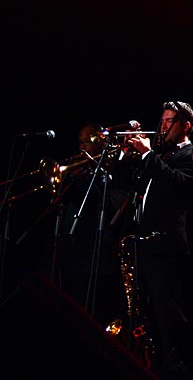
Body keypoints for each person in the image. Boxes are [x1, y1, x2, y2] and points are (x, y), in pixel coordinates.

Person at [115, 101, 193, 377]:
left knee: (169, 319)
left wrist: (146, 155)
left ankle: (178, 370)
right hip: (143, 245)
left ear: (186, 127)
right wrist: (124, 155)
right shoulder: (161, 156)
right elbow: (124, 186)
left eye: (170, 121)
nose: (163, 126)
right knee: (145, 318)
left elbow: (178, 184)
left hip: (167, 247)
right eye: (163, 120)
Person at [57, 123, 126, 327]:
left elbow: (114, 200)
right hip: (73, 250)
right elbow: (62, 196)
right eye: (80, 142)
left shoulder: (112, 169)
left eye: (87, 141)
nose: (82, 147)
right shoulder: (78, 171)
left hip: (98, 255)